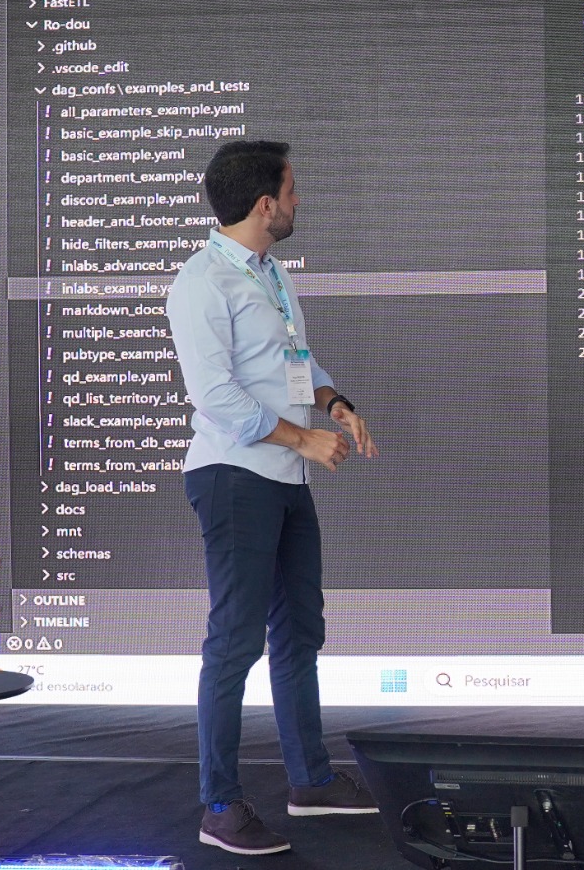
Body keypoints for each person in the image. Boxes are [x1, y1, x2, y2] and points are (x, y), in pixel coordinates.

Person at [166, 139, 380, 855]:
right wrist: (302, 439)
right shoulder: (201, 283)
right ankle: (219, 807)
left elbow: (294, 360)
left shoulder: (270, 271)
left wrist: (335, 403)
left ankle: (310, 782)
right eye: (291, 192)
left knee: (300, 633)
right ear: (265, 205)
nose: (297, 202)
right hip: (234, 477)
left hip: (286, 478)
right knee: (235, 642)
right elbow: (217, 397)